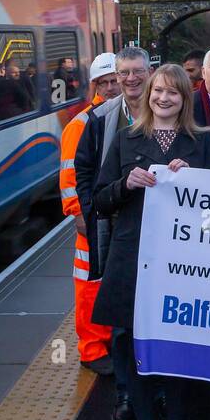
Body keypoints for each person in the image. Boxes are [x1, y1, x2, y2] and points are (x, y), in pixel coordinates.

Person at [92, 63, 210, 420]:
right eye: (158, 91)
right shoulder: (127, 140)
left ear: (185, 100)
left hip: (184, 267)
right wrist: (125, 184)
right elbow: (99, 201)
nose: (164, 98)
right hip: (133, 262)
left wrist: (198, 183)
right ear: (148, 95)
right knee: (133, 353)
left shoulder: (203, 144)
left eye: (174, 93)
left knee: (175, 356)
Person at [77, 46, 151, 420]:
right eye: (124, 73)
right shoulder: (100, 119)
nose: (131, 79)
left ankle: (156, 389)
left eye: (138, 71)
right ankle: (125, 393)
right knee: (122, 319)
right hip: (117, 231)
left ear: (149, 71)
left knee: (155, 316)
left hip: (161, 235)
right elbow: (84, 169)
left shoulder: (172, 111)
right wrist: (91, 212)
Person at [60, 52, 122, 378]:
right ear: (95, 85)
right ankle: (91, 349)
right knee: (89, 283)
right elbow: (70, 176)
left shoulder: (123, 116)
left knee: (108, 280)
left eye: (116, 80)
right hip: (92, 217)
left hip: (114, 212)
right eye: (105, 82)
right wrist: (78, 215)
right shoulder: (82, 124)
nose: (112, 87)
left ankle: (107, 340)